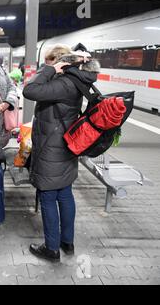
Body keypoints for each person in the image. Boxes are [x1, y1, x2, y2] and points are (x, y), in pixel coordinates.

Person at [22, 44, 100, 263]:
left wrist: (49, 70)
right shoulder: (74, 81)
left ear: (62, 63)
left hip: (51, 147)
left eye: (50, 62)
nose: (46, 66)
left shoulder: (63, 83)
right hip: (65, 144)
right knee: (65, 194)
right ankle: (67, 242)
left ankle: (52, 248)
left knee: (48, 195)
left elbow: (29, 90)